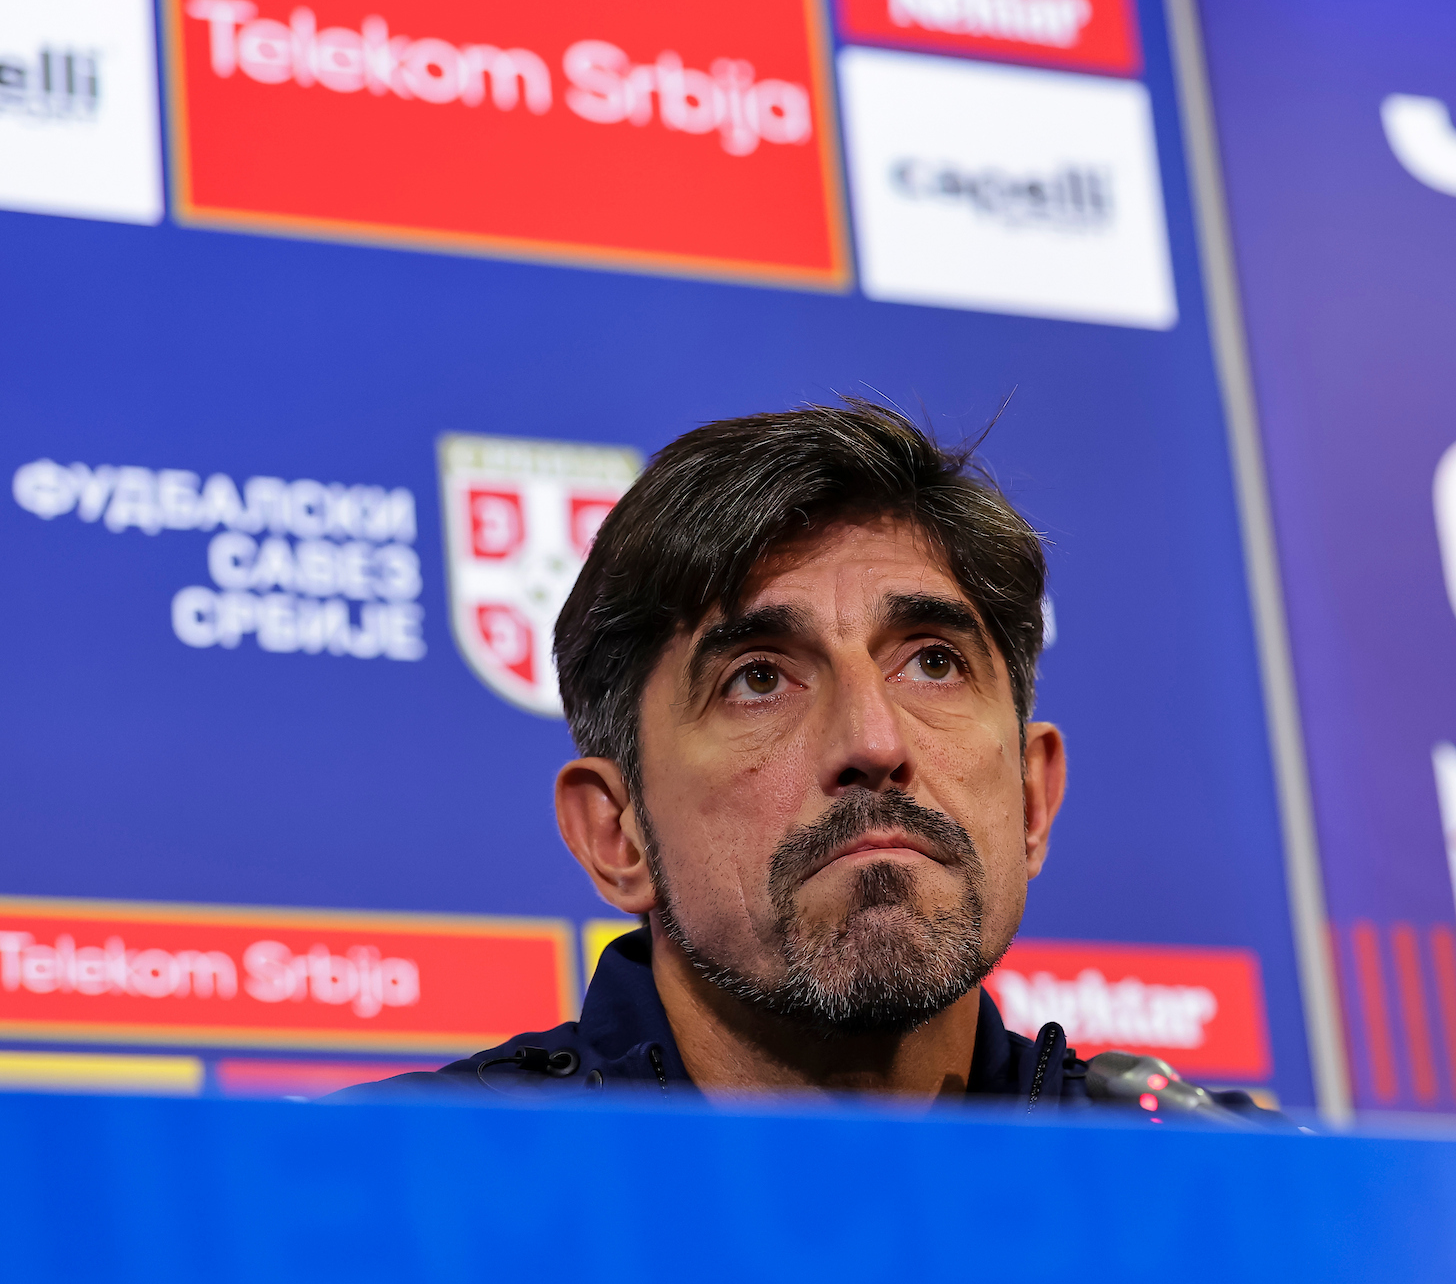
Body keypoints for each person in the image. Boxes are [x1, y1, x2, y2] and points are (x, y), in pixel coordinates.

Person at [347, 401, 1263, 1117]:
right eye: (758, 680)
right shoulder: (388, 1199)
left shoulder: (1237, 1209)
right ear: (616, 835)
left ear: (1031, 796)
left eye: (933, 663)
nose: (875, 742)